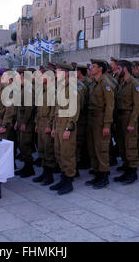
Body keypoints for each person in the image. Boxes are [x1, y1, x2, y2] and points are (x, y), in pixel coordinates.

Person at [50, 63, 81, 195]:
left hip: (66, 124)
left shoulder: (72, 88)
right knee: (59, 152)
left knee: (67, 153)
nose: (56, 74)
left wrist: (69, 128)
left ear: (66, 73)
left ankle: (69, 180)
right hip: (58, 123)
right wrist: (53, 127)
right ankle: (63, 177)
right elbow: (57, 109)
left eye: (58, 72)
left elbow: (74, 110)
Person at [86, 60, 115, 189]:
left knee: (101, 149)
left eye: (94, 66)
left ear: (101, 69)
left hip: (101, 119)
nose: (91, 68)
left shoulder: (106, 84)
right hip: (92, 119)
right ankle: (97, 173)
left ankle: (104, 176)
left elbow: (109, 107)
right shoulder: (94, 83)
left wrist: (107, 125)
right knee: (93, 148)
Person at [114, 60, 139, 184]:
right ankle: (126, 169)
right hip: (120, 118)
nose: (116, 71)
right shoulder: (122, 84)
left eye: (118, 69)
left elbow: (137, 106)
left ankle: (133, 172)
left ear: (124, 69)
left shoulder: (134, 84)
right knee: (122, 145)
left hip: (129, 118)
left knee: (130, 145)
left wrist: (132, 122)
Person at [33, 65, 56, 186]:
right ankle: (44, 172)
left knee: (48, 150)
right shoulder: (42, 90)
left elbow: (53, 110)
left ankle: (49, 175)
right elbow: (38, 109)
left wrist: (50, 125)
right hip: (40, 122)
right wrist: (37, 123)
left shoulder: (52, 91)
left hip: (47, 122)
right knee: (41, 149)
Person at [14, 66, 36, 178]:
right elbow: (19, 108)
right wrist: (18, 121)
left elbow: (28, 108)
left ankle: (29, 168)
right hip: (21, 120)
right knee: (21, 145)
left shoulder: (28, 88)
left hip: (27, 122)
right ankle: (26, 167)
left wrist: (24, 123)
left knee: (26, 146)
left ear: (22, 75)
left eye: (18, 74)